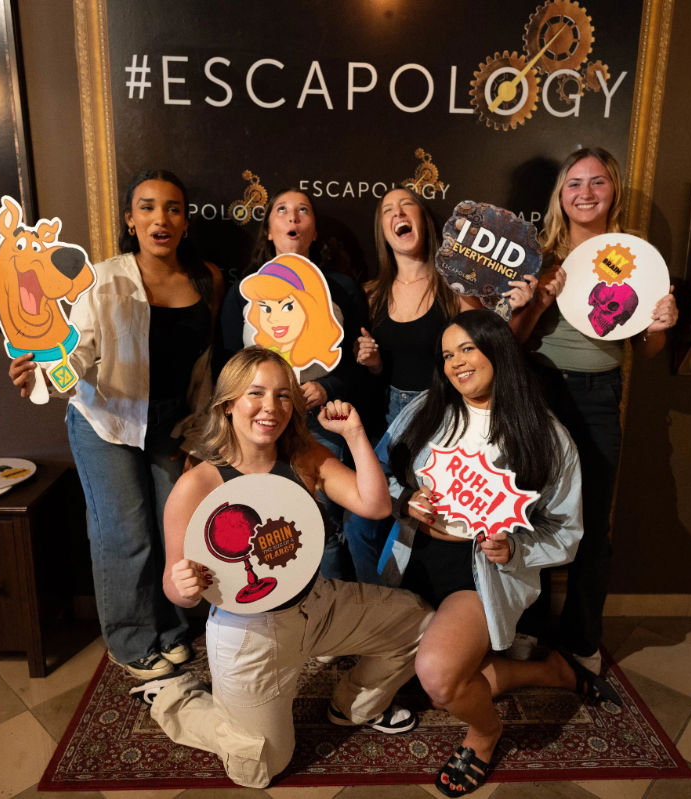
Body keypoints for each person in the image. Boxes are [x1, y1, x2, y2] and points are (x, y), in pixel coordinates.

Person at [138, 347, 432, 789]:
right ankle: (174, 698)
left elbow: (374, 505)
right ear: (228, 404)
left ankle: (352, 707)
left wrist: (354, 435)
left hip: (315, 602)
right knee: (259, 769)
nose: (270, 407)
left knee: (419, 620)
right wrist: (184, 585)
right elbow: (175, 590)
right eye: (255, 393)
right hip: (248, 632)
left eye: (282, 396)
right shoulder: (196, 485)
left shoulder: (304, 456)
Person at [378, 309, 619, 796]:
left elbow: (567, 532)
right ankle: (547, 671)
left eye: (467, 348)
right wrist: (405, 498)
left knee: (440, 680)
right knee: (391, 671)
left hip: (481, 572)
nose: (456, 362)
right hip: (412, 557)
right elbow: (377, 474)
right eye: (447, 354)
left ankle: (485, 733)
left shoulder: (545, 436)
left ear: (498, 351)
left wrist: (515, 546)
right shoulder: (425, 410)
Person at [9, 169, 224, 679]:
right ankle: (131, 643)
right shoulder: (103, 277)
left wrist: (200, 436)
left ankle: (171, 629)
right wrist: (42, 375)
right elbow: (78, 352)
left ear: (186, 222)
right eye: (147, 207)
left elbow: (205, 367)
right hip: (106, 422)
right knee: (125, 536)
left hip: (171, 428)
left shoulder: (207, 280)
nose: (160, 218)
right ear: (130, 219)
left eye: (172, 208)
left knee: (176, 532)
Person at [510, 147, 679, 673]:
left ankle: (582, 638)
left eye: (597, 182)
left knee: (592, 519)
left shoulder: (636, 258)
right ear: (561, 195)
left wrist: (659, 328)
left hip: (601, 392)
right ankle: (530, 631)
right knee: (531, 513)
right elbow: (510, 341)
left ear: (613, 191)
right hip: (539, 390)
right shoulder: (539, 256)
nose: (585, 193)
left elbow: (646, 350)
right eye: (574, 183)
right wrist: (540, 298)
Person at [347, 188, 533, 582]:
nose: (398, 213)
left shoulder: (454, 288)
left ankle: (414, 611)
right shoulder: (371, 294)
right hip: (392, 420)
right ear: (382, 229)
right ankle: (377, 605)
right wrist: (375, 363)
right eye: (387, 210)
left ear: (424, 220)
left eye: (407, 205)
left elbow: (485, 351)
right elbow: (373, 375)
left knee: (417, 524)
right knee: (362, 522)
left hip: (444, 416)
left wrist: (523, 310)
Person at [218, 189, 367, 580]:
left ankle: (330, 614)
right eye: (282, 210)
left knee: (323, 521)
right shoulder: (242, 292)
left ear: (314, 230)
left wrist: (328, 388)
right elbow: (230, 362)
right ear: (269, 230)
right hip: (259, 425)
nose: (293, 217)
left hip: (319, 422)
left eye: (303, 210)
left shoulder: (342, 288)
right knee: (265, 523)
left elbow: (358, 363)